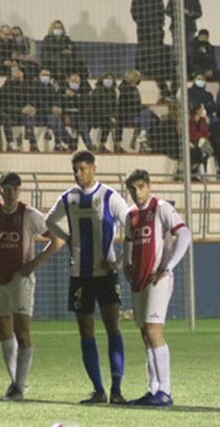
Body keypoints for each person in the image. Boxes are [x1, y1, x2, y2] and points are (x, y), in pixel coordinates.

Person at [45, 151, 130, 404]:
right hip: (79, 275)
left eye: (82, 169)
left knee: (113, 327)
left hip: (106, 273)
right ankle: (98, 390)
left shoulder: (109, 196)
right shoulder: (68, 198)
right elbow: (49, 221)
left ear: (94, 168)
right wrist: (68, 238)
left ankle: (116, 389)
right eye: (75, 170)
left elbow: (131, 225)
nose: (78, 174)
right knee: (86, 330)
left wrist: (120, 260)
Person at [0, 172, 64, 400]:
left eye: (16, 188)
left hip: (21, 280)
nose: (12, 192)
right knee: (2, 330)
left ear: (20, 191)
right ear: (0, 190)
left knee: (22, 331)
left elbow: (57, 241)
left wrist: (34, 263)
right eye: (7, 188)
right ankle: (16, 383)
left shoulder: (29, 215)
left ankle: (19, 385)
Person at [122, 169, 193, 406]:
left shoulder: (161, 208)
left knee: (153, 331)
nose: (137, 192)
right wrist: (127, 264)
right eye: (132, 188)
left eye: (141, 187)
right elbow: (128, 243)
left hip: (158, 279)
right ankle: (153, 389)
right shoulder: (131, 215)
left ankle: (166, 390)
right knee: (145, 334)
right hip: (139, 279)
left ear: (149, 186)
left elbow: (184, 234)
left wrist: (168, 266)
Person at [90, 72, 119, 153]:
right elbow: (98, 107)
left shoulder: (113, 92)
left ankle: (116, 146)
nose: (108, 80)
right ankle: (101, 145)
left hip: (108, 116)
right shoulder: (97, 91)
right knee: (108, 123)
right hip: (97, 115)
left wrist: (114, 116)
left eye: (110, 79)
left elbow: (114, 106)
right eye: (107, 79)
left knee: (118, 123)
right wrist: (109, 117)